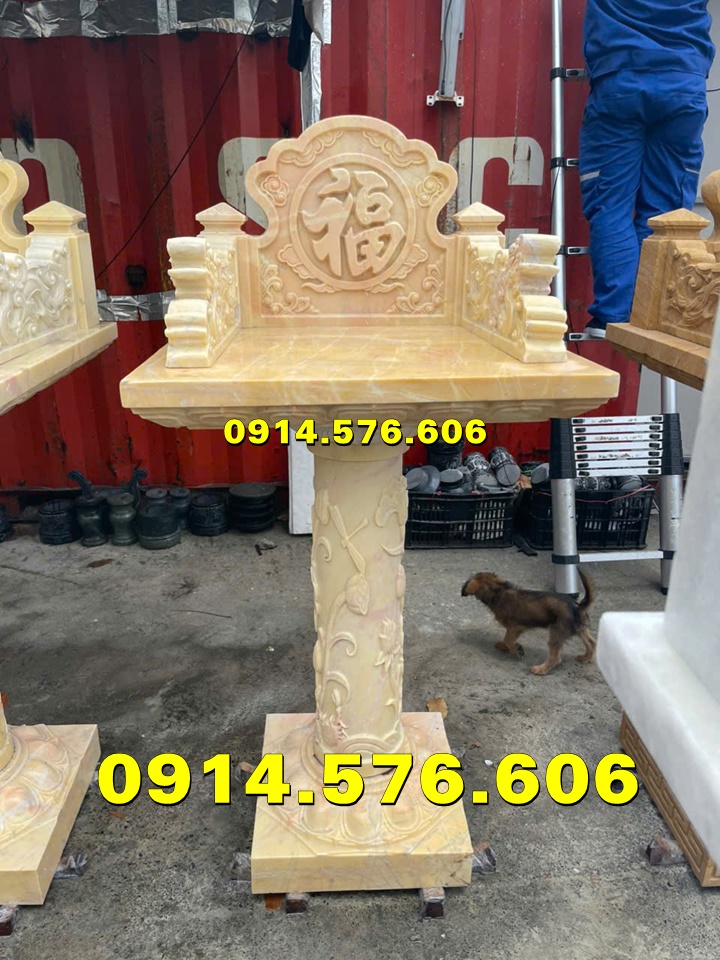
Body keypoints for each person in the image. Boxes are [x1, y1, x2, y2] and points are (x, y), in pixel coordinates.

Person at [579, 1, 715, 338]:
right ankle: (655, 317)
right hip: (683, 81)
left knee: (610, 204)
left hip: (620, 78)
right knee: (666, 214)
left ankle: (614, 315)